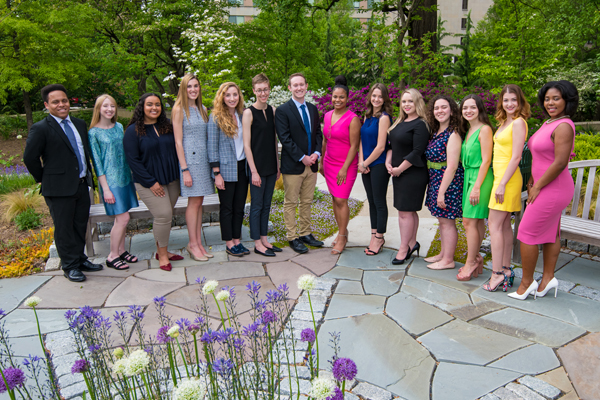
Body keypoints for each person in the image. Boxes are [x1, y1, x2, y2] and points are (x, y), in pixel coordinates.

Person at [23, 84, 103, 282]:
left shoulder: (79, 124)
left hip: (81, 184)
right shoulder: (41, 128)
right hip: (58, 188)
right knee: (64, 227)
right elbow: (30, 157)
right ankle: (69, 266)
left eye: (64, 100)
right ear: (47, 105)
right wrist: (42, 178)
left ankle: (80, 258)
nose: (61, 104)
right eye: (56, 102)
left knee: (79, 225)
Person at [510, 81, 579, 300]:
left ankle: (527, 283)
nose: (550, 102)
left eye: (556, 98)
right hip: (542, 185)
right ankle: (548, 279)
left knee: (526, 233)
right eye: (547, 98)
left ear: (567, 100)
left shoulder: (564, 125)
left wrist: (537, 186)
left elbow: (559, 163)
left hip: (553, 187)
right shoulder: (550, 122)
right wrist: (531, 179)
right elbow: (542, 157)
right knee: (550, 234)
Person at [123, 93, 182, 272]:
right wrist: (151, 182)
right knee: (163, 215)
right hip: (148, 181)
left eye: (157, 104)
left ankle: (161, 250)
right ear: (142, 107)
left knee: (167, 216)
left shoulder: (167, 127)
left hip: (171, 179)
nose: (154, 108)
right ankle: (162, 255)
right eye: (150, 104)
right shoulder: (133, 131)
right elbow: (133, 160)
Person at [274, 73, 324, 254]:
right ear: (289, 88)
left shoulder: (312, 108)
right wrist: (302, 157)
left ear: (306, 86)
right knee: (291, 202)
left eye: (301, 85)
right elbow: (285, 139)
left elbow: (318, 133)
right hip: (294, 165)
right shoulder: (282, 110)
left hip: (312, 164)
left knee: (307, 201)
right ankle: (292, 237)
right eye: (295, 85)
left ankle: (305, 233)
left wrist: (316, 154)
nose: (299, 88)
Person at [88, 94, 139, 271]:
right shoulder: (93, 133)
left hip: (125, 178)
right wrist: (105, 189)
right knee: (122, 218)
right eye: (105, 106)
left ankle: (122, 250)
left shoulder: (118, 127)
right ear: (98, 109)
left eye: (112, 106)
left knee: (125, 216)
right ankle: (112, 256)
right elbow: (97, 164)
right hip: (110, 182)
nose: (109, 109)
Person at [487, 85, 529, 291]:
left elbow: (517, 157)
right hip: (500, 177)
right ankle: (505, 269)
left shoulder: (519, 123)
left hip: (508, 179)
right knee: (503, 226)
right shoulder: (504, 122)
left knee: (493, 226)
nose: (510, 104)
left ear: (520, 102)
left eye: (514, 100)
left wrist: (502, 183)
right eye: (506, 100)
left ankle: (495, 275)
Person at [173, 74, 214, 262]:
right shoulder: (179, 109)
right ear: (183, 88)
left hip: (204, 160)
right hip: (190, 162)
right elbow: (178, 142)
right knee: (193, 203)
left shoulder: (202, 109)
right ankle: (192, 244)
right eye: (189, 86)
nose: (193, 89)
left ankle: (198, 243)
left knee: (200, 203)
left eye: (196, 86)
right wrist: (184, 169)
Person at [385, 88, 429, 265]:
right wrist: (389, 163)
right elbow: (391, 146)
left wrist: (399, 169)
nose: (406, 104)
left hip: (412, 173)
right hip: (397, 172)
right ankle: (412, 243)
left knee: (404, 212)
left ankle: (404, 248)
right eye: (404, 101)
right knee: (408, 211)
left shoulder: (420, 124)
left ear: (417, 102)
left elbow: (417, 152)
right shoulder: (399, 122)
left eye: (410, 101)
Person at [242, 73, 282, 257]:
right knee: (257, 205)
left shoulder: (273, 111)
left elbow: (274, 141)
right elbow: (247, 145)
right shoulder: (248, 113)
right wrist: (254, 171)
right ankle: (257, 243)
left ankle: (265, 239)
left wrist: (278, 164)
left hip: (271, 165)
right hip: (256, 168)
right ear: (253, 91)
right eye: (259, 90)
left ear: (269, 88)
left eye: (265, 89)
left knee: (267, 205)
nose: (262, 93)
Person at [208, 82, 249, 257]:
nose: (232, 98)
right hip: (225, 169)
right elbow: (212, 147)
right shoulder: (215, 117)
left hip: (242, 167)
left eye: (235, 94)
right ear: (222, 97)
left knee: (239, 207)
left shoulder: (243, 114)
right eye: (228, 95)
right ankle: (229, 243)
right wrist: (217, 173)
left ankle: (237, 240)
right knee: (227, 208)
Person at [424, 95, 464, 270]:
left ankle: (448, 260)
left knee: (447, 221)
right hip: (435, 179)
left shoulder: (453, 134)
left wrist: (441, 192)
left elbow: (452, 166)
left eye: (444, 107)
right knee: (441, 220)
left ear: (452, 110)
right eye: (436, 108)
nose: (439, 111)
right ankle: (443, 253)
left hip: (448, 182)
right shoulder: (436, 132)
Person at [322, 75, 361, 254]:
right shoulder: (327, 115)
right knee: (334, 199)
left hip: (346, 164)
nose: (338, 100)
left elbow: (354, 146)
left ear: (347, 98)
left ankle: (342, 237)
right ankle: (341, 232)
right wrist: (322, 161)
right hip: (329, 163)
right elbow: (325, 140)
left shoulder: (352, 119)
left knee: (341, 199)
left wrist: (344, 168)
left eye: (341, 97)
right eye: (335, 97)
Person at [458, 95, 494, 283]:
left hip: (480, 177)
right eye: (465, 108)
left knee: (468, 221)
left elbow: (487, 159)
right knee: (477, 221)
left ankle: (470, 261)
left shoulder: (485, 129)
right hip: (469, 176)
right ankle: (477, 258)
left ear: (479, 109)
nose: (468, 111)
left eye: (472, 107)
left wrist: (477, 187)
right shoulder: (469, 129)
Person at [359, 83, 392, 256]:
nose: (376, 99)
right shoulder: (367, 116)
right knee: (371, 201)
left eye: (380, 96)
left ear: (384, 98)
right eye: (374, 95)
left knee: (379, 201)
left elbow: (380, 147)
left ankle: (380, 236)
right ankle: (373, 234)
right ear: (370, 97)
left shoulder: (384, 118)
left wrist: (366, 163)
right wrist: (360, 162)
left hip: (378, 165)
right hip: (366, 165)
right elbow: (361, 141)